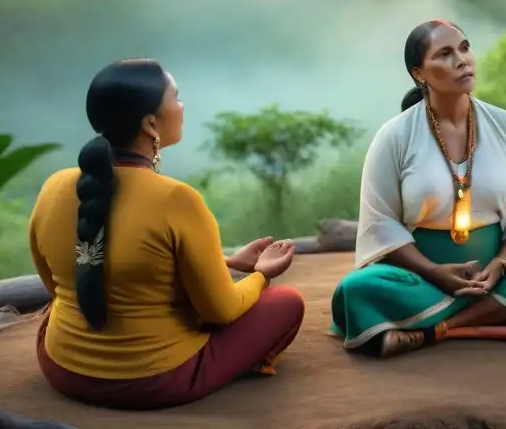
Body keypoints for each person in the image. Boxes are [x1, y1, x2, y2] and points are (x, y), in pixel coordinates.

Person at [28, 59, 306, 410]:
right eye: (176, 97)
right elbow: (221, 310)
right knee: (286, 303)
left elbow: (60, 284)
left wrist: (226, 263)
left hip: (61, 365)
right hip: (150, 380)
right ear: (150, 124)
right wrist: (261, 274)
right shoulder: (178, 199)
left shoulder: (54, 186)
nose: (182, 106)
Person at [330, 20, 506, 358]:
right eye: (445, 54)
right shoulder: (394, 137)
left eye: (464, 47)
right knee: (356, 290)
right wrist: (434, 272)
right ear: (419, 73)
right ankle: (499, 323)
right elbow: (381, 222)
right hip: (424, 274)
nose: (462, 60)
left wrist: (501, 264)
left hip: (499, 271)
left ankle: (435, 331)